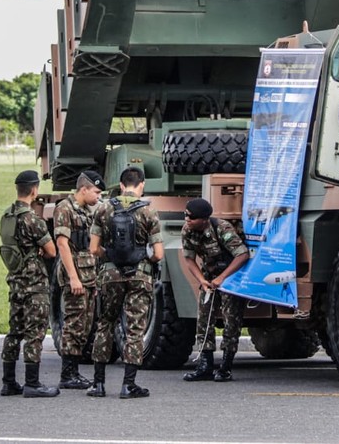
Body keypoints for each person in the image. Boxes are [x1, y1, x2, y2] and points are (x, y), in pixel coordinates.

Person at [86, 166, 164, 398]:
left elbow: (93, 248)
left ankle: (98, 384)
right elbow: (158, 254)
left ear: (120, 185)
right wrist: (145, 259)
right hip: (139, 275)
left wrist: (109, 256)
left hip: (110, 274)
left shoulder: (103, 208)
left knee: (105, 323)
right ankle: (128, 385)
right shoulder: (149, 212)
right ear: (142, 185)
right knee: (135, 329)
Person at [0, 170, 60, 398]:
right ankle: (32, 383)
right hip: (34, 285)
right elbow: (51, 251)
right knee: (35, 333)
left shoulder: (7, 216)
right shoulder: (32, 219)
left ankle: (9, 382)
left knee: (14, 332)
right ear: (34, 190)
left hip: (15, 282)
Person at [180, 197, 249, 382]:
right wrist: (202, 280)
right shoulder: (187, 230)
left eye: (191, 217)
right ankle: (205, 366)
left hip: (230, 278)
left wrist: (222, 278)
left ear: (204, 219)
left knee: (231, 322)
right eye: (186, 216)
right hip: (209, 278)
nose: (187, 220)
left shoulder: (222, 229)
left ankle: (226, 367)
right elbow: (189, 258)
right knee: (203, 320)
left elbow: (242, 255)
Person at [52, 169, 105, 390]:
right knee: (74, 324)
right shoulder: (65, 208)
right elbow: (62, 244)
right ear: (83, 189)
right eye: (96, 191)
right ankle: (68, 374)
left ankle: (74, 371)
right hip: (76, 277)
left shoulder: (86, 211)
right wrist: (73, 278)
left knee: (85, 324)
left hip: (88, 276)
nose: (98, 196)